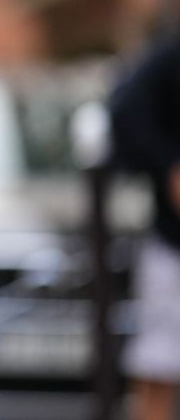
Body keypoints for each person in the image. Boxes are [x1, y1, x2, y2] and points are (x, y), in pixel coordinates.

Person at [109, 30, 180, 420]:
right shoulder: (166, 63)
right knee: (158, 371)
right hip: (172, 247)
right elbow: (125, 121)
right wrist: (169, 166)